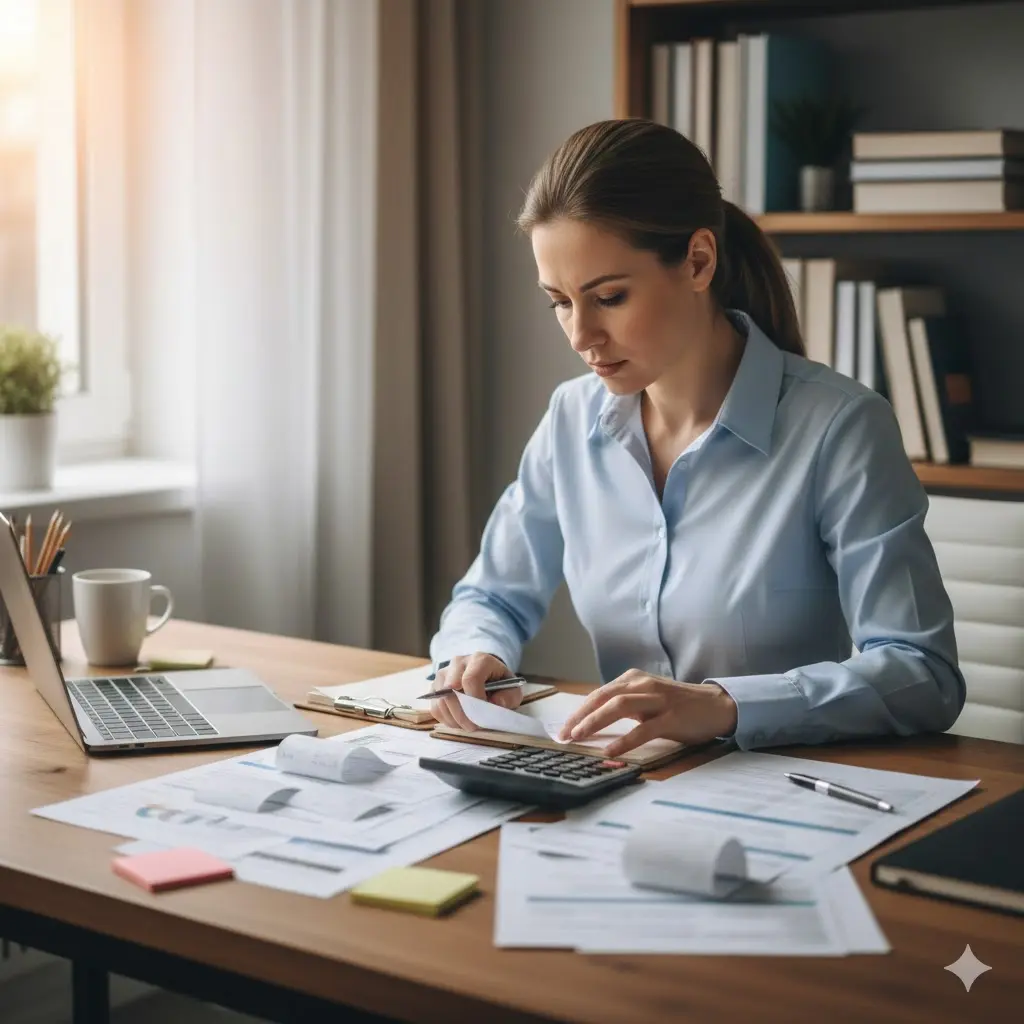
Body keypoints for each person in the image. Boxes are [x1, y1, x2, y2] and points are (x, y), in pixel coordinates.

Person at [428, 118, 965, 758]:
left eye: (610, 297)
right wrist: (475, 651)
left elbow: (922, 673)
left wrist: (725, 705)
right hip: (617, 785)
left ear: (698, 261)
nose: (580, 336)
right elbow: (490, 594)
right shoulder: (571, 419)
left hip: (788, 793)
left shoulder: (840, 428)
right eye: (560, 302)